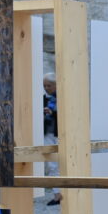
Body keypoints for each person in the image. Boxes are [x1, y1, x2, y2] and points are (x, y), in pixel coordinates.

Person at [42, 73, 61, 206]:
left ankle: (63, 193)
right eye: (44, 86)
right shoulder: (43, 99)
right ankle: (57, 194)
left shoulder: (63, 97)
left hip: (60, 134)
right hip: (48, 134)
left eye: (49, 85)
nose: (46, 88)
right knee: (52, 164)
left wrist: (53, 112)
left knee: (63, 164)